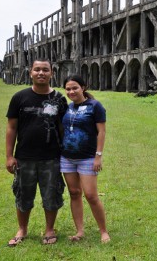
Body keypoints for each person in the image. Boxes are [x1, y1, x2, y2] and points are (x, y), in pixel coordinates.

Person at [5, 59, 68, 246]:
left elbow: (63, 128)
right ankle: (22, 229)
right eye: (37, 69)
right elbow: (11, 128)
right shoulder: (19, 97)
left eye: (45, 70)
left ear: (52, 73)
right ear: (30, 72)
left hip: (51, 156)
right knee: (23, 194)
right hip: (25, 156)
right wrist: (9, 156)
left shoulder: (59, 99)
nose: (41, 73)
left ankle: (49, 230)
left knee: (51, 194)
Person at [61, 74, 110, 243]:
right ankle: (79, 231)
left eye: (75, 88)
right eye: (68, 89)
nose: (71, 91)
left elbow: (101, 132)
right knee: (74, 193)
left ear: (83, 87)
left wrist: (98, 156)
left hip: (87, 157)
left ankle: (103, 231)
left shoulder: (94, 106)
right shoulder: (68, 108)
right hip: (67, 157)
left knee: (91, 195)